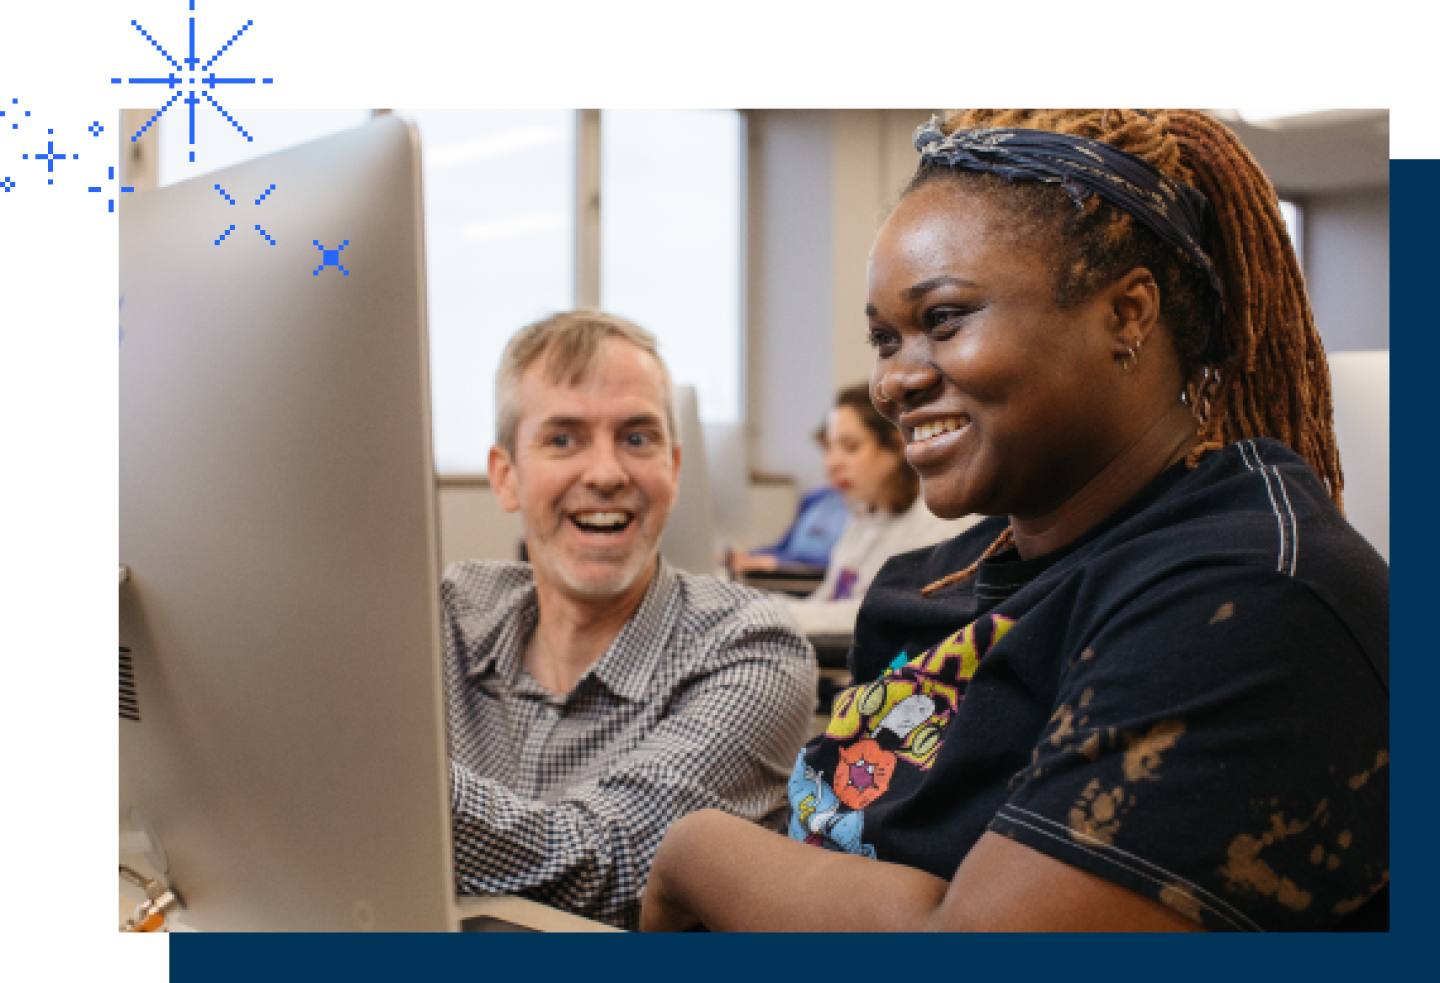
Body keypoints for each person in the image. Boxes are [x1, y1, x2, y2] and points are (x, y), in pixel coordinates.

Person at [640, 108, 1388, 933]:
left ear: (1127, 314)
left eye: (944, 318)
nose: (894, 382)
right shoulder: (929, 583)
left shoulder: (1248, 594)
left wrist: (695, 853)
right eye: (886, 339)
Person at [444, 311, 816, 930]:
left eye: (637, 438)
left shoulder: (752, 647)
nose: (607, 473)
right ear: (506, 477)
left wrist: (393, 784)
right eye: (563, 438)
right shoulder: (451, 615)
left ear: (673, 468)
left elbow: (608, 866)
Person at [786, 383, 976, 634]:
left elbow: (880, 615)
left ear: (897, 445)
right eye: (828, 447)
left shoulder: (939, 520)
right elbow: (828, 600)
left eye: (850, 447)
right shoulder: (864, 513)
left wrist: (772, 613)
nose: (832, 463)